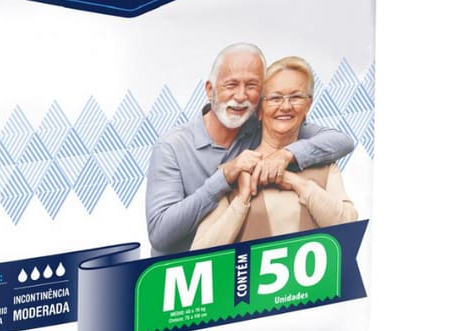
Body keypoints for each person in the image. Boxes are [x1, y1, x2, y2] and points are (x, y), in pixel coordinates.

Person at [145, 44, 353, 256]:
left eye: (252, 85)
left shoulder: (264, 124)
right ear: (210, 90)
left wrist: (285, 156)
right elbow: (161, 235)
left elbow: (342, 141)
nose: (240, 96)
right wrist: (223, 178)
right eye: (231, 84)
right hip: (180, 268)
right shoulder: (172, 147)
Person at [191, 56, 358, 249]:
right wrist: (241, 200)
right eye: (275, 98)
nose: (286, 106)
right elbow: (200, 252)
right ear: (259, 109)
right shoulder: (233, 172)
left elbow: (349, 228)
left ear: (308, 105)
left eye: (296, 97)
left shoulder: (326, 167)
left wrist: (297, 183)